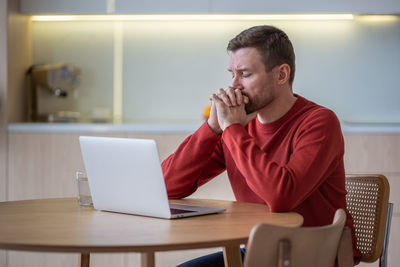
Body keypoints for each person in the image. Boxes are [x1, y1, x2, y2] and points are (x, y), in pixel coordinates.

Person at [162, 25, 361, 267]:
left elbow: (280, 197)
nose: (234, 86)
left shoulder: (319, 122)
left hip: (315, 256)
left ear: (281, 75)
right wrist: (212, 128)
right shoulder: (238, 128)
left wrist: (232, 130)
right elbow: (167, 186)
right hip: (257, 253)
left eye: (244, 74)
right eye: (232, 74)